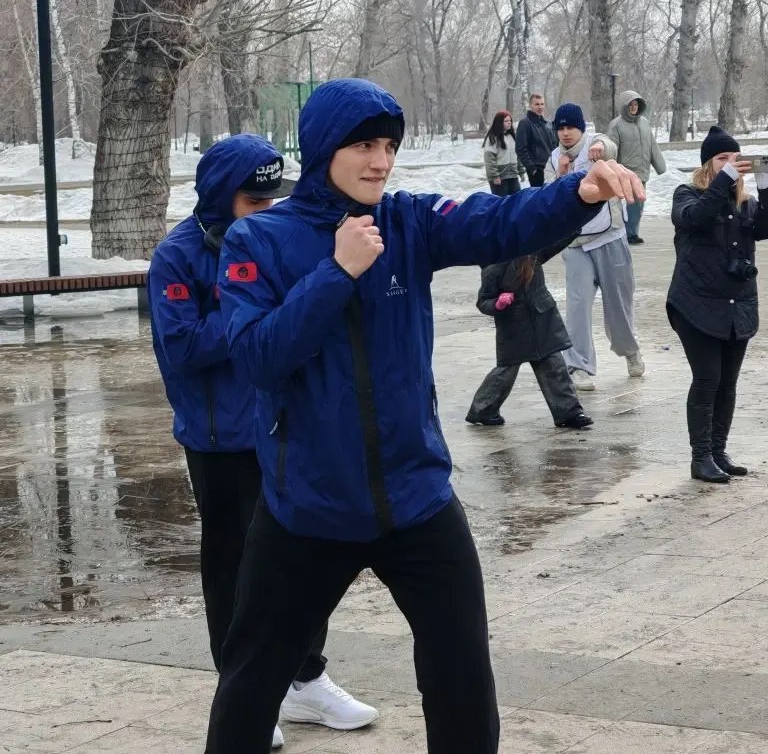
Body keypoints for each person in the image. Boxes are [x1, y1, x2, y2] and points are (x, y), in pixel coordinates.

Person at [204, 78, 644, 754]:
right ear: (324, 148)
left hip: (417, 501)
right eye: (364, 146)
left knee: (462, 676)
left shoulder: (408, 220)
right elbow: (260, 359)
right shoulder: (259, 240)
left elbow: (499, 222)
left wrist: (577, 193)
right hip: (307, 510)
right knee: (249, 682)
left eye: (388, 146)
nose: (380, 161)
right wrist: (336, 271)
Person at [147, 134, 377, 752]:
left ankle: (305, 675)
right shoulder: (178, 256)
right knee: (233, 567)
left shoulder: (280, 240)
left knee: (308, 553)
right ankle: (244, 688)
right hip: (220, 440)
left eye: (273, 197)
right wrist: (259, 315)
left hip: (286, 427)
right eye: (254, 200)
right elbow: (184, 346)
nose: (268, 211)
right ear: (222, 198)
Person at [667, 126, 768, 483]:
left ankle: (719, 451)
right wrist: (722, 182)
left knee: (728, 382)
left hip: (735, 305)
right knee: (708, 378)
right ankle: (701, 457)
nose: (729, 164)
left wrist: (766, 185)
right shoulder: (687, 195)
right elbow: (695, 218)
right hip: (694, 304)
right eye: (721, 158)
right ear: (707, 164)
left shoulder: (745, 204)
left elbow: (765, 227)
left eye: (733, 158)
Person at [547, 102, 645, 392]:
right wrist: (560, 175)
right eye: (561, 128)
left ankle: (630, 351)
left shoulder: (595, 143)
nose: (565, 133)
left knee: (618, 306)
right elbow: (548, 197)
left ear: (581, 128)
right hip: (575, 242)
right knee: (577, 305)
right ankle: (578, 365)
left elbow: (609, 145)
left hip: (609, 236)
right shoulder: (554, 157)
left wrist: (599, 148)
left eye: (571, 127)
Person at [465, 241, 594, 429]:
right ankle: (483, 409)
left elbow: (557, 240)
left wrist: (575, 221)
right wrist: (497, 304)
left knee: (555, 367)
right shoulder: (493, 267)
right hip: (514, 326)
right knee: (505, 372)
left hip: (543, 320)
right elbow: (483, 300)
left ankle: (569, 412)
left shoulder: (534, 251)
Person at [607, 90, 666, 244]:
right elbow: (611, 149)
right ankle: (629, 234)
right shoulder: (616, 125)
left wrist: (660, 166)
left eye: (636, 104)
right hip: (625, 172)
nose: (633, 107)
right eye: (631, 105)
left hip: (642, 171)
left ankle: (631, 232)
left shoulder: (644, 123)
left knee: (638, 205)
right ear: (625, 106)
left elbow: (652, 145)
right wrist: (611, 169)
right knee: (629, 205)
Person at [515, 93, 557, 187]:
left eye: (542, 104)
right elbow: (520, 148)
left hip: (552, 168)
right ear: (530, 105)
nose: (540, 107)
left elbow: (554, 145)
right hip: (538, 171)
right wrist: (532, 169)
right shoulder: (525, 123)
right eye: (537, 104)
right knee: (540, 200)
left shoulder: (547, 124)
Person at [482, 110, 525, 195]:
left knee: (516, 200)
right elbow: (489, 158)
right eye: (506, 121)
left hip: (513, 175)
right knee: (502, 203)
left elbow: (518, 156)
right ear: (499, 122)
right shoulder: (492, 138)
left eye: (510, 121)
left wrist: (521, 171)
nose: (509, 123)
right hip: (499, 177)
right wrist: (495, 176)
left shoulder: (513, 137)